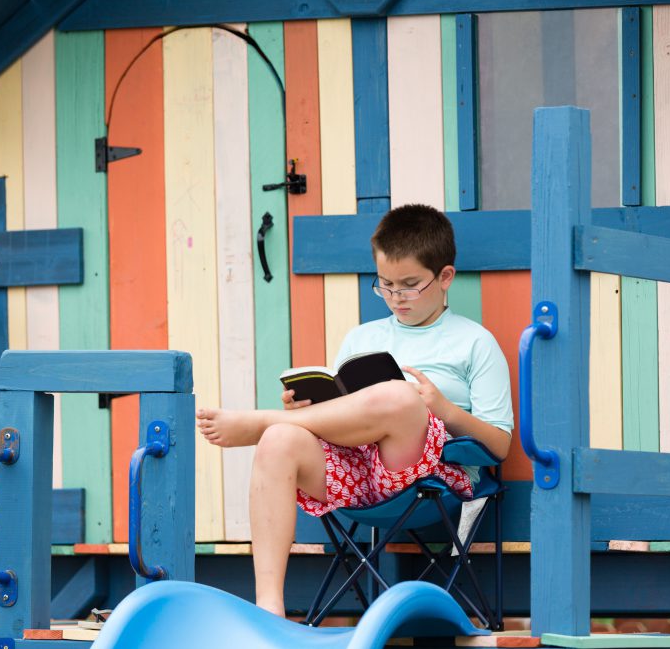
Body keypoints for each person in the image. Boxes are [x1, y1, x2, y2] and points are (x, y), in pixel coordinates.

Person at [196, 203, 514, 617]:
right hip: (358, 471)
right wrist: (311, 405)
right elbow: (344, 415)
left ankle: (259, 421)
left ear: (445, 277)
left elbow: (500, 446)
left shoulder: (474, 342)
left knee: (400, 396)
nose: (396, 296)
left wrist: (442, 407)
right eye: (385, 284)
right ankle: (269, 608)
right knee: (280, 439)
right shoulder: (362, 337)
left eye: (409, 284)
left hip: (432, 476)